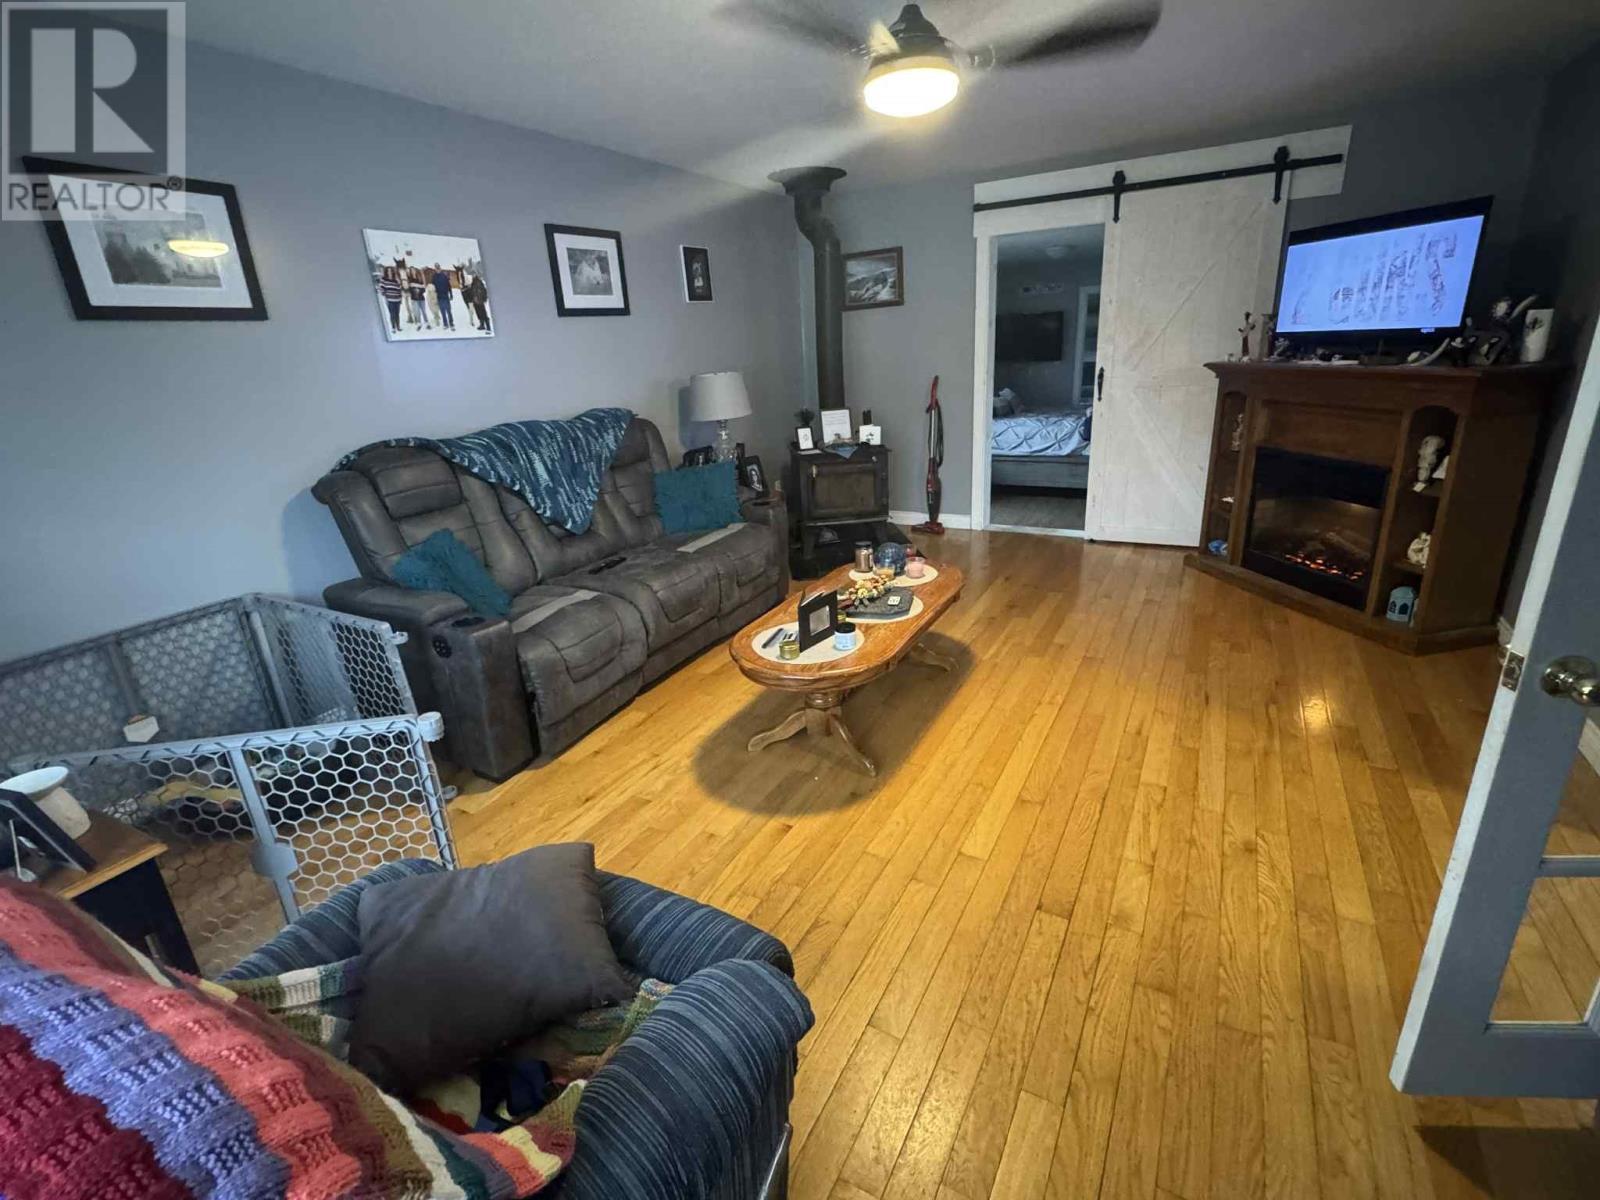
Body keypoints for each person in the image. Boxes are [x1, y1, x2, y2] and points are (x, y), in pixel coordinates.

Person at [377, 268, 403, 334]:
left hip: (397, 299)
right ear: (386, 272)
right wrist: (385, 295)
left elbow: (399, 289)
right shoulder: (384, 280)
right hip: (390, 300)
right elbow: (381, 288)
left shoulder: (395, 280)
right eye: (388, 271)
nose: (390, 272)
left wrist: (399, 282)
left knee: (397, 314)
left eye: (391, 271)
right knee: (392, 314)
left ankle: (398, 326)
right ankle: (393, 327)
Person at [430, 264, 455, 330]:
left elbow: (449, 286)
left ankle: (451, 323)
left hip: (446, 296)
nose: (438, 269)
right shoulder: (434, 277)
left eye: (438, 268)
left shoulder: (444, 276)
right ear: (435, 269)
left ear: (440, 268)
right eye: (436, 268)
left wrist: (451, 294)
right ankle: (445, 324)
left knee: (448, 311)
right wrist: (433, 297)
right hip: (439, 297)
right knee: (442, 311)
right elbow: (432, 288)